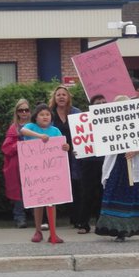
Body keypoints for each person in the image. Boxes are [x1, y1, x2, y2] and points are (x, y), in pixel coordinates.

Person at [95, 95, 139, 243]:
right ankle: (119, 230)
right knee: (117, 195)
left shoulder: (138, 122)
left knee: (138, 194)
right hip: (117, 164)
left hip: (134, 163)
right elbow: (105, 142)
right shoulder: (109, 124)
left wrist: (136, 150)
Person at [20, 103, 69, 243]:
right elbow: (23, 131)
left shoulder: (55, 130)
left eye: (47, 114)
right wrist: (40, 136)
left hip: (52, 172)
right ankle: (38, 231)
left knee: (52, 202)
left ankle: (53, 233)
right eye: (42, 114)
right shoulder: (31, 127)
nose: (45, 117)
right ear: (36, 117)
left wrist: (66, 147)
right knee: (38, 202)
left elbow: (62, 145)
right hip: (35, 172)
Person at [48, 85, 81, 227]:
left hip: (74, 156)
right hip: (55, 157)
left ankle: (76, 219)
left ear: (68, 98)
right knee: (53, 187)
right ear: (54, 98)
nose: (61, 97)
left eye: (64, 94)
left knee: (76, 186)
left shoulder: (76, 113)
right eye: (58, 95)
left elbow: (83, 134)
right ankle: (48, 219)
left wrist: (72, 147)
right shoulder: (49, 114)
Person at [74, 94, 106, 234]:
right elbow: (78, 139)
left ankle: (101, 223)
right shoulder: (84, 120)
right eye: (97, 102)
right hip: (88, 161)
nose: (100, 104)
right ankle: (83, 223)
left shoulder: (110, 120)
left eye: (103, 102)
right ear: (91, 105)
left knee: (102, 193)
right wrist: (77, 150)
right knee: (87, 192)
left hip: (105, 161)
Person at [1, 98, 30, 228]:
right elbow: (6, 148)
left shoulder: (35, 126)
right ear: (17, 112)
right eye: (21, 110)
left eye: (26, 110)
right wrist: (20, 145)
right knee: (18, 191)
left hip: (33, 165)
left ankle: (40, 218)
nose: (24, 112)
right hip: (17, 164)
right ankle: (19, 217)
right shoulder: (14, 128)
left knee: (36, 188)